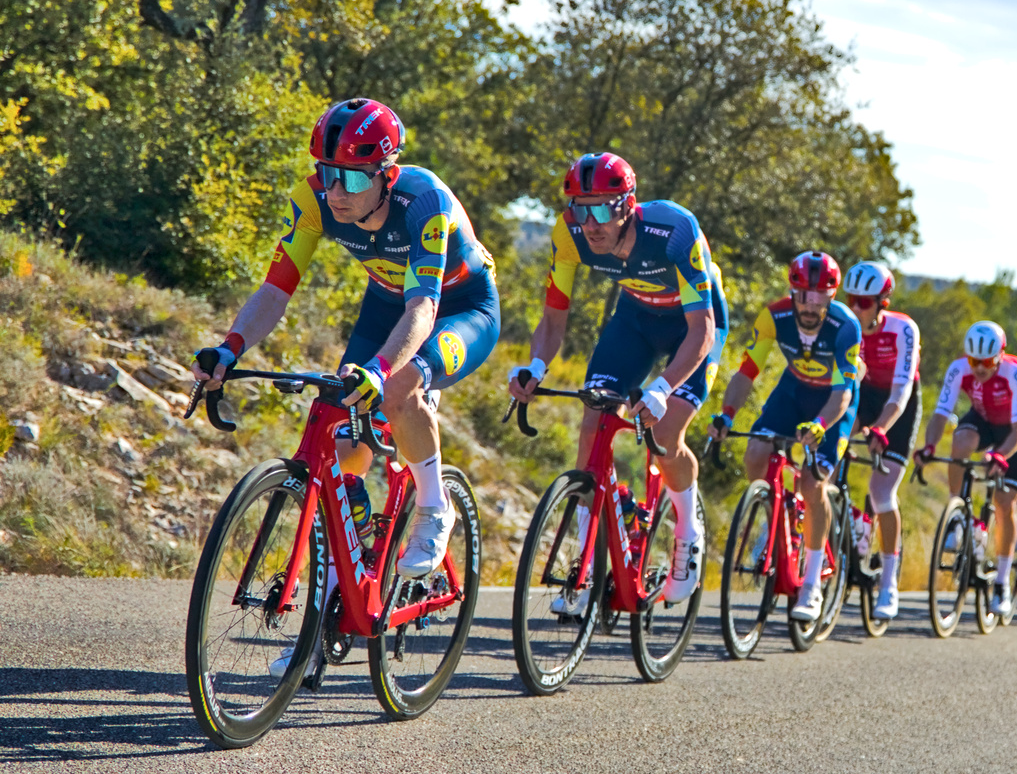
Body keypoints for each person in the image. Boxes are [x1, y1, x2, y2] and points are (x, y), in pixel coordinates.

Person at [194, 97, 499, 579]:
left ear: (387, 172)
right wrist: (229, 348)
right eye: (327, 171)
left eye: (354, 177)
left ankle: (435, 506)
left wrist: (380, 370)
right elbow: (275, 291)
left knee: (399, 387)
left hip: (460, 308)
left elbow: (424, 307)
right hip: (384, 305)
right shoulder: (312, 198)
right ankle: (340, 589)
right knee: (341, 433)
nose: (337, 190)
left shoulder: (424, 202)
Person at [508, 152, 728, 610]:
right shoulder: (568, 233)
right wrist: (535, 366)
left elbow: (703, 329)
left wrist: (663, 388)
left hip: (693, 324)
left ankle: (688, 533)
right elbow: (553, 320)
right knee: (594, 418)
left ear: (629, 204)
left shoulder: (672, 230)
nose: (590, 223)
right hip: (635, 318)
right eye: (580, 208)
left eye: (603, 208)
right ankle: (585, 568)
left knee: (665, 432)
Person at [708, 251, 865, 624]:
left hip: (832, 401)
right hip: (793, 390)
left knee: (813, 484)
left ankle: (810, 582)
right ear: (792, 291)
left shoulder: (846, 326)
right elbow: (747, 372)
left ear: (831, 295)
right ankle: (769, 516)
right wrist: (727, 414)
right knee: (756, 453)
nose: (810, 305)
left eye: (820, 297)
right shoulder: (774, 315)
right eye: (803, 295)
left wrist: (821, 426)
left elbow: (843, 392)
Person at [916, 321, 1017, 620]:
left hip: (1012, 431)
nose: (979, 368)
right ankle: (958, 513)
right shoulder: (959, 368)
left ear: (1000, 355)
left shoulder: (1016, 373)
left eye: (986, 362)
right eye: (974, 361)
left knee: (1005, 504)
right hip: (982, 419)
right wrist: (929, 446)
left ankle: (1003, 582)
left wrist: (1001, 455)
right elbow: (942, 413)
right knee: (960, 441)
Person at [843, 261, 920, 620]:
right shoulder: (844, 324)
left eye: (864, 302)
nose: (855, 308)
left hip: (897, 404)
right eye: (851, 299)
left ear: (882, 302)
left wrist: (882, 429)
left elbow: (901, 391)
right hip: (863, 394)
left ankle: (889, 583)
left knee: (881, 492)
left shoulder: (903, 329)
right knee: (824, 466)